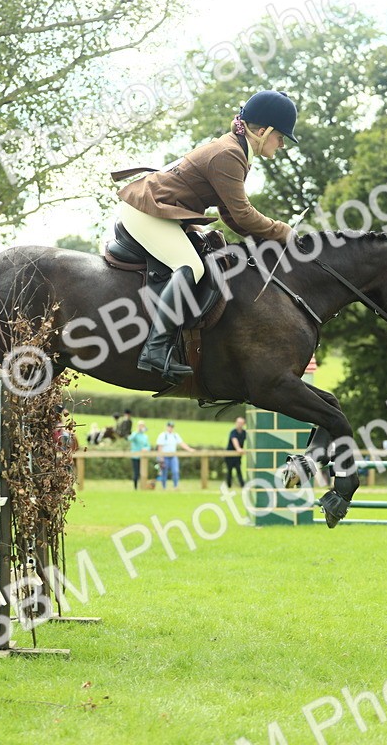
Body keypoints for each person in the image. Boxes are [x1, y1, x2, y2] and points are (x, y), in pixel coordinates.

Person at [111, 90, 299, 383]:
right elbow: (244, 214)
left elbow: (230, 215)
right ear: (264, 131)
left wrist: (263, 238)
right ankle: (155, 350)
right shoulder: (229, 154)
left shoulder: (235, 151)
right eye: (281, 136)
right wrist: (282, 231)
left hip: (161, 211)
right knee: (191, 266)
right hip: (146, 211)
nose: (283, 143)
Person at [155, 421, 195, 489]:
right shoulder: (162, 435)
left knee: (175, 471)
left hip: (173, 456)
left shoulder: (175, 435)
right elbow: (160, 447)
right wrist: (161, 458)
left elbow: (181, 443)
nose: (171, 428)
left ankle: (175, 486)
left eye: (172, 427)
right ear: (167, 427)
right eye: (169, 426)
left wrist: (189, 449)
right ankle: (164, 487)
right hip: (164, 457)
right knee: (164, 473)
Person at [128, 421, 151, 489]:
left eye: (142, 426)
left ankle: (143, 486)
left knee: (143, 473)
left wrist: (146, 449)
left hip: (143, 457)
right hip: (135, 456)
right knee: (136, 473)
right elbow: (130, 439)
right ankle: (135, 487)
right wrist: (137, 431)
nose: (141, 427)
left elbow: (148, 446)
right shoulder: (135, 434)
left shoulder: (145, 436)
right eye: (140, 426)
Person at [225, 416, 247, 489]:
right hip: (230, 455)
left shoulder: (244, 433)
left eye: (241, 423)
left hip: (237, 456)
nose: (239, 424)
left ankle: (242, 484)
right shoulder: (233, 432)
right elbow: (234, 440)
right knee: (229, 470)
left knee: (238, 470)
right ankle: (228, 485)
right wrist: (238, 448)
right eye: (238, 422)